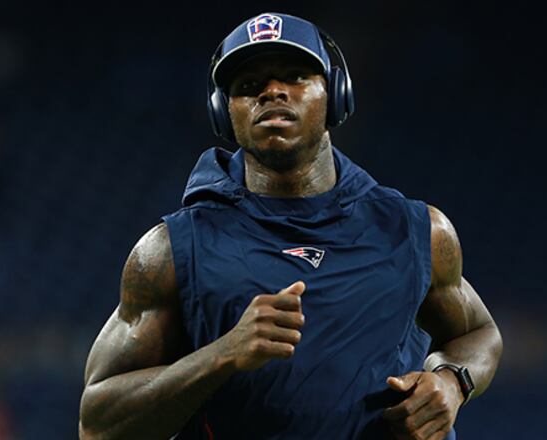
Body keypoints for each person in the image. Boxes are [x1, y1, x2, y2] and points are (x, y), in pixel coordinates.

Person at [79, 12, 502, 440]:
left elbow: (480, 334)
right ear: (224, 113)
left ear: (336, 94)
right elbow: (98, 424)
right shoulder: (172, 251)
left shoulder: (416, 230)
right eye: (248, 86)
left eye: (296, 76)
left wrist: (452, 381)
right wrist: (222, 354)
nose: (272, 92)